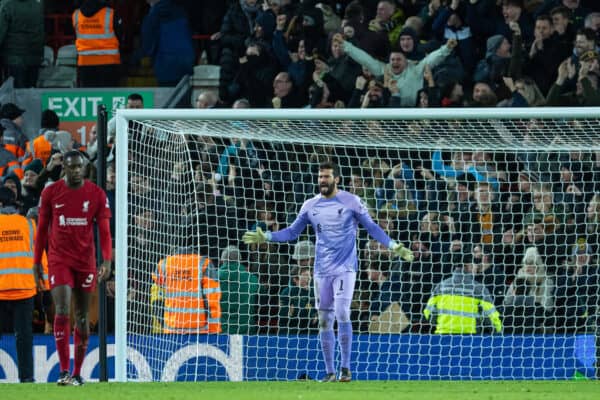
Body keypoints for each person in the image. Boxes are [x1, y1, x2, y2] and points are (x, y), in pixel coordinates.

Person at [243, 161, 413, 382]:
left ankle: (345, 368)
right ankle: (330, 371)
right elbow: (293, 232)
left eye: (326, 177)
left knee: (342, 311)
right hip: (321, 271)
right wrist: (267, 236)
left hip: (345, 268)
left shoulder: (352, 201)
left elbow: (371, 227)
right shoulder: (310, 205)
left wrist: (392, 245)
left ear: (336, 179)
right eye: (320, 177)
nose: (322, 180)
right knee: (324, 320)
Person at [33, 151, 112, 386]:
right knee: (62, 308)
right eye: (72, 167)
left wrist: (107, 261)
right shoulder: (50, 192)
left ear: (85, 168)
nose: (77, 171)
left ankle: (77, 373)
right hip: (59, 260)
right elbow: (42, 229)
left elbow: (105, 232)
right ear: (64, 169)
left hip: (85, 262)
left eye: (80, 167)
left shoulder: (96, 194)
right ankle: (63, 371)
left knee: (83, 317)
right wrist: (37, 261)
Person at [0, 187, 44, 382]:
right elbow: (40, 258)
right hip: (25, 289)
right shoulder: (29, 225)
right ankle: (26, 378)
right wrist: (46, 288)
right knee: (24, 337)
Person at [423, 253, 503, 334]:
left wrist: (440, 323)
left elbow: (428, 312)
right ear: (468, 265)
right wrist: (498, 331)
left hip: (442, 336)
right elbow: (491, 316)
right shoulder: (479, 289)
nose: (476, 267)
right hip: (469, 339)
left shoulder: (440, 286)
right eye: (474, 264)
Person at [151, 246, 221, 334]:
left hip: (172, 328)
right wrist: (214, 330)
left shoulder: (164, 264)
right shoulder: (204, 263)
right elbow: (212, 299)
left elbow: (157, 289)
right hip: (199, 329)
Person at [72, 0, 122, 87]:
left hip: (85, 63)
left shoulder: (76, 15)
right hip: (109, 62)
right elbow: (120, 35)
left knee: (89, 97)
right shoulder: (110, 13)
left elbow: (75, 36)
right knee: (109, 96)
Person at [0, 0, 44, 88]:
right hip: (34, 57)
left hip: (14, 58)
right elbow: (41, 32)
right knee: (30, 93)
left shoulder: (7, 6)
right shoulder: (37, 6)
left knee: (14, 95)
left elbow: (1, 32)